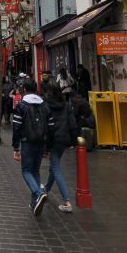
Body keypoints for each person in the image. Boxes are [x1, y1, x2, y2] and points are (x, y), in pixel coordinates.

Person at [12, 78, 54, 216]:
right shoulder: (45, 106)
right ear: (36, 89)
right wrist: (48, 147)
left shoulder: (21, 106)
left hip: (27, 142)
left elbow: (16, 127)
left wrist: (16, 148)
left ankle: (38, 193)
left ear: (24, 89)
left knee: (26, 171)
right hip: (41, 142)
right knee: (35, 171)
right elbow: (51, 127)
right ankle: (34, 202)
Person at [44, 82, 78, 213]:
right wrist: (74, 140)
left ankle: (67, 201)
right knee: (54, 165)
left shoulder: (46, 105)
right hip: (63, 140)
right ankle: (46, 189)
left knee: (56, 167)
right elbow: (72, 124)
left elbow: (45, 125)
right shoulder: (66, 105)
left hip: (52, 139)